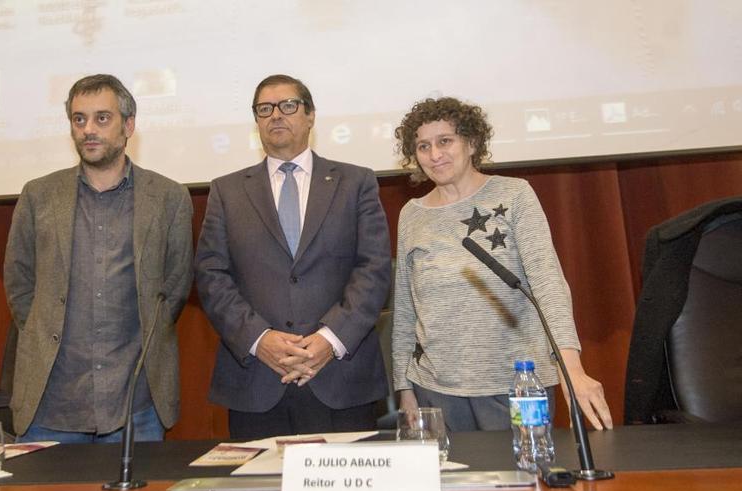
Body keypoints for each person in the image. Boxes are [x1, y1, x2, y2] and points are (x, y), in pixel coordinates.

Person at [391, 97, 613, 432]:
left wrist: (572, 371)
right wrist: (404, 389)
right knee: (453, 484)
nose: (434, 155)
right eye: (423, 146)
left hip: (518, 383)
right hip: (436, 389)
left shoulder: (514, 195)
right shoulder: (412, 214)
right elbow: (406, 307)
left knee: (525, 481)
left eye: (445, 141)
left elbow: (547, 282)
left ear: (472, 143)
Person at [195, 74, 392, 438]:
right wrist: (259, 339)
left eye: (288, 106)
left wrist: (329, 341)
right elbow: (211, 275)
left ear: (311, 115)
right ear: (256, 121)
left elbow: (374, 268)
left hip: (340, 379)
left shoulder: (356, 182)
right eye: (264, 109)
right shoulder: (227, 191)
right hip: (257, 379)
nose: (276, 116)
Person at [3, 74, 193, 443]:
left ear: (129, 126)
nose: (88, 129)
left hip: (136, 403)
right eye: (79, 119)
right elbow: (19, 285)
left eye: (102, 118)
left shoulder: (169, 197)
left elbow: (174, 291)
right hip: (52, 403)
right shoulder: (38, 196)